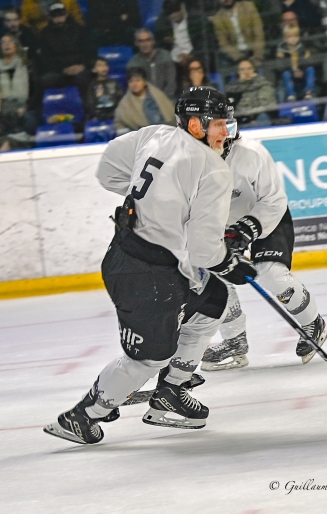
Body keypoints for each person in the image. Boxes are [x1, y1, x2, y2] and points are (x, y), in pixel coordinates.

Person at [43, 87, 258, 445]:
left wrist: (158, 205)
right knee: (149, 358)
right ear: (195, 125)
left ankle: (171, 391)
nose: (226, 132)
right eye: (219, 123)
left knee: (215, 298)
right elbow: (206, 253)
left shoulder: (154, 134)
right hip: (146, 277)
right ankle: (82, 417)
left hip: (130, 258)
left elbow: (108, 170)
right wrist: (231, 263)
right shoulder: (215, 170)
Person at [201, 133, 327, 371]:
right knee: (214, 275)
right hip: (221, 225)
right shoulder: (188, 158)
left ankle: (312, 323)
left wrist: (249, 228)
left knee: (270, 273)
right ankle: (234, 340)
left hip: (265, 217)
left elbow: (274, 199)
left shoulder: (251, 153)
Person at [154, 0, 217, 87]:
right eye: (171, 14)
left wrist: (191, 56)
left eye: (177, 12)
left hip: (196, 54)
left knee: (197, 62)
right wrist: (166, 42)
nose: (174, 15)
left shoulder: (197, 18)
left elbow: (206, 42)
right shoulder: (162, 23)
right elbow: (159, 46)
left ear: (182, 8)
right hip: (174, 60)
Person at [37, 2, 94, 94]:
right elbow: (46, 58)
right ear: (50, 17)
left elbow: (90, 51)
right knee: (46, 80)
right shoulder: (45, 33)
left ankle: (86, 106)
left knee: (85, 78)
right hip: (59, 71)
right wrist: (62, 69)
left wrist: (83, 66)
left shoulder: (80, 29)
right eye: (55, 16)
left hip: (80, 68)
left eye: (61, 15)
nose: (59, 18)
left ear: (66, 14)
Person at [114, 67, 176, 133]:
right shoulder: (124, 104)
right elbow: (119, 124)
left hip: (166, 133)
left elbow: (171, 116)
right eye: (131, 81)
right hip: (141, 138)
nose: (134, 84)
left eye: (138, 80)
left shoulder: (158, 96)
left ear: (145, 81)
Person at [212, 0, 266, 71]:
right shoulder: (218, 18)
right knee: (225, 63)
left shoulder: (249, 7)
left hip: (253, 49)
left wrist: (257, 55)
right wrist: (240, 59)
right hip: (235, 55)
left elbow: (259, 33)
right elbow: (223, 44)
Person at [128, 28, 178, 100]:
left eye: (148, 40)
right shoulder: (133, 64)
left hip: (167, 100)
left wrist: (161, 101)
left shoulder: (165, 56)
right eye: (141, 41)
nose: (145, 44)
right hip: (145, 103)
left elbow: (171, 84)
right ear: (136, 43)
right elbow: (136, 90)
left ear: (153, 41)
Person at [225, 59, 276, 127]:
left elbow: (267, 105)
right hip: (242, 119)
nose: (246, 72)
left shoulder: (263, 84)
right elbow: (231, 108)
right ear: (238, 72)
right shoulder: (233, 88)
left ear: (254, 70)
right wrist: (242, 84)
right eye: (242, 70)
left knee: (263, 117)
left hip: (260, 117)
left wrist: (253, 118)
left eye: (249, 68)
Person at [276, 25, 316, 100]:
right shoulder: (281, 49)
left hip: (302, 74)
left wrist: (302, 70)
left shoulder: (303, 47)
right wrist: (292, 72)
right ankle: (291, 95)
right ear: (285, 38)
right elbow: (280, 65)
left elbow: (309, 61)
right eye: (290, 36)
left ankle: (309, 92)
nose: (293, 39)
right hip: (290, 74)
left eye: (295, 36)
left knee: (310, 69)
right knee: (286, 74)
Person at [84, 56, 124, 121]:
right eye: (100, 65)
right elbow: (90, 102)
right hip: (99, 115)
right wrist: (97, 114)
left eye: (105, 65)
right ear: (93, 69)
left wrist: (118, 112)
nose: (104, 68)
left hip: (116, 113)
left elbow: (121, 97)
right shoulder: (92, 85)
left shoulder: (114, 82)